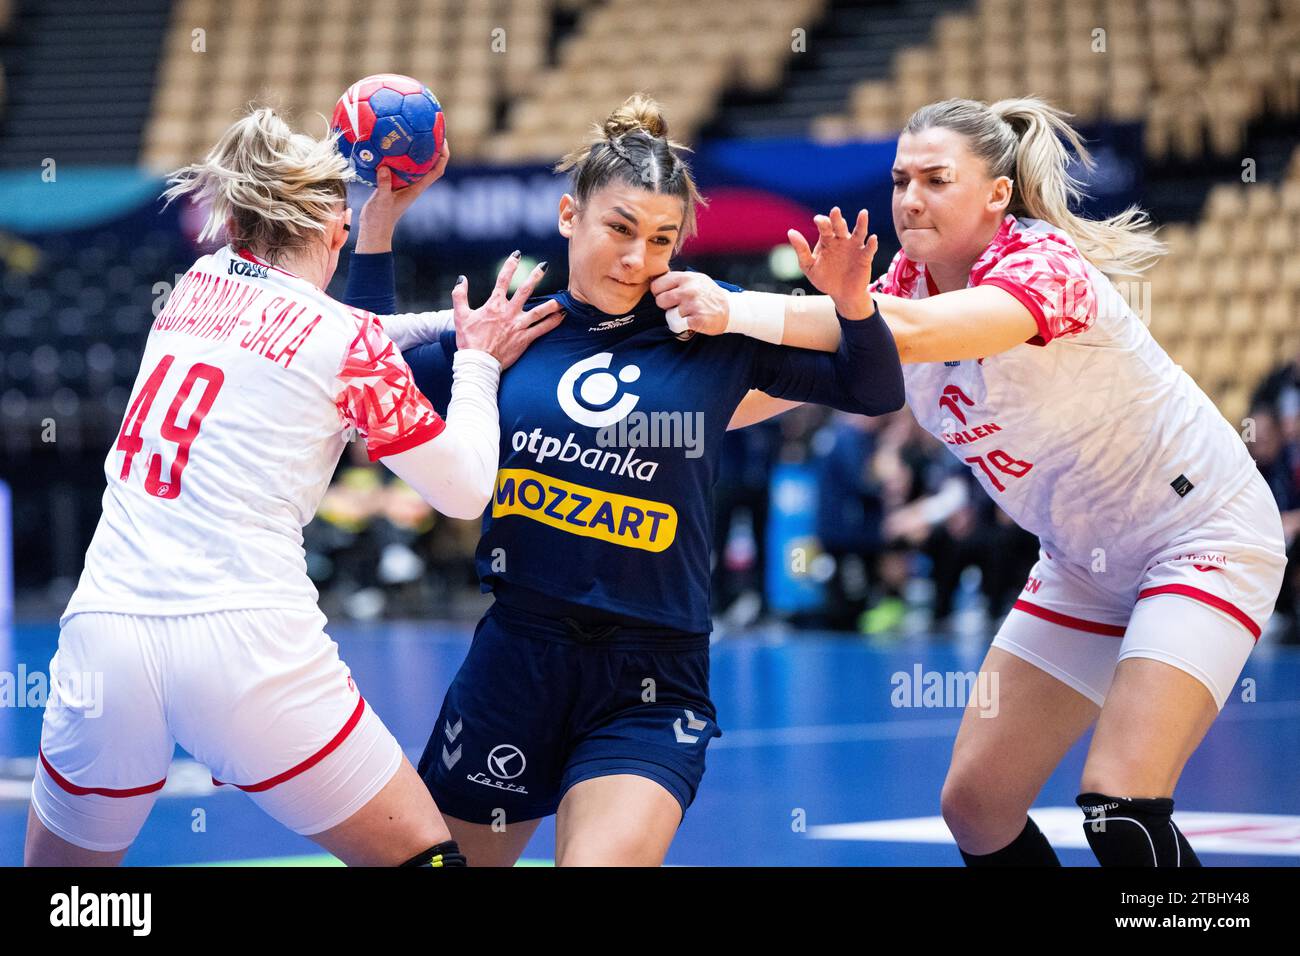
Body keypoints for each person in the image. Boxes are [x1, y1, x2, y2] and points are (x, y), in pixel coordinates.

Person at [702, 96, 1287, 866]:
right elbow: (757, 395)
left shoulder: (1043, 265)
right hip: (1082, 563)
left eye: (936, 179)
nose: (911, 198)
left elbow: (899, 333)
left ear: (997, 193)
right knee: (975, 806)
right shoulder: (899, 290)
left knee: (1120, 806)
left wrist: (734, 307)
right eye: (900, 179)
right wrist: (618, 411)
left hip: (1199, 538)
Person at [345, 93, 905, 865]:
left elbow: (874, 389)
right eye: (619, 228)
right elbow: (360, 372)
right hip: (517, 659)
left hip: (651, 675)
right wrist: (376, 227)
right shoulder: (512, 329)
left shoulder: (709, 326)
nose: (639, 259)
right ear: (569, 214)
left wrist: (849, 302)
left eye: (662, 239)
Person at [24, 108, 561, 866]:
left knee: (65, 901)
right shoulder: (347, 342)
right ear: (336, 230)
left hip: (107, 632)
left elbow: (332, 332)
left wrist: (443, 317)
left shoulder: (195, 287)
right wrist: (476, 363)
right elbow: (467, 491)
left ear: (240, 219)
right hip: (248, 644)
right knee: (424, 859)